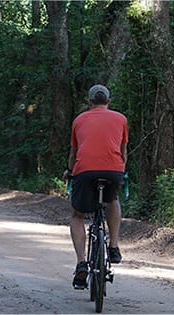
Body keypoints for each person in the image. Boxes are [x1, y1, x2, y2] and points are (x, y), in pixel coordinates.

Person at [62, 84, 128, 289]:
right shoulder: (121, 119)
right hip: (113, 170)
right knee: (113, 200)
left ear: (89, 102)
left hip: (85, 170)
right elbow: (123, 150)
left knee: (77, 215)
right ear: (109, 102)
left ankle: (81, 262)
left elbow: (74, 154)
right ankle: (114, 246)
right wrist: (121, 171)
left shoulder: (79, 120)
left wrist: (70, 171)